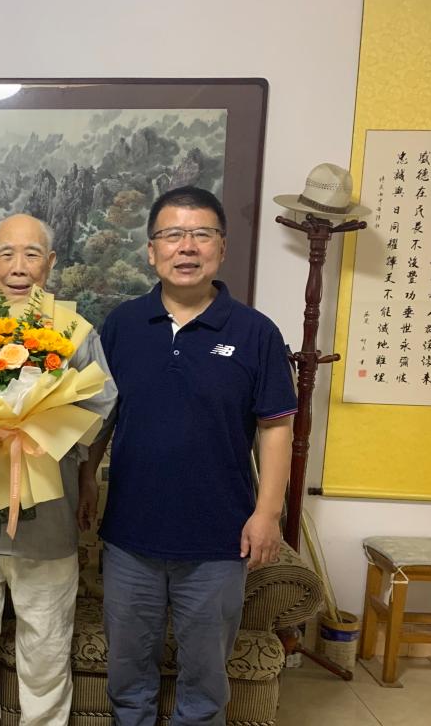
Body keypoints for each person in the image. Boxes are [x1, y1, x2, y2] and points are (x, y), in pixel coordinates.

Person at [87, 186, 297, 726]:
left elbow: (276, 427)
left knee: (204, 679)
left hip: (217, 538)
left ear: (221, 248)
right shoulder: (123, 324)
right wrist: (86, 478)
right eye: (173, 235)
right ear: (151, 250)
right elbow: (101, 415)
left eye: (201, 234)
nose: (187, 247)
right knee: (127, 671)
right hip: (130, 534)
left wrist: (267, 512)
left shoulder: (255, 332)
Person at [0, 213, 116, 725]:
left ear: (50, 263)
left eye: (32, 253)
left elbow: (103, 403)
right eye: (7, 254)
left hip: (48, 523)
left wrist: (42, 428)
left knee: (46, 653)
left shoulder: (74, 332)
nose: (19, 267)